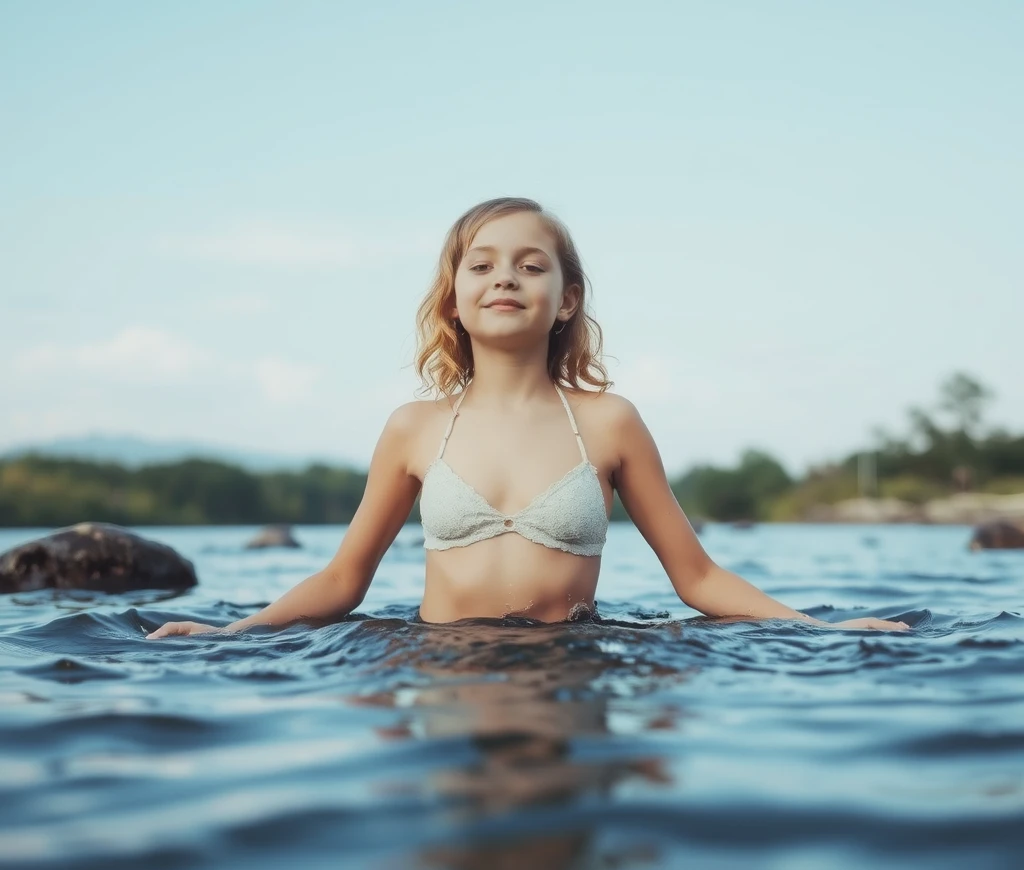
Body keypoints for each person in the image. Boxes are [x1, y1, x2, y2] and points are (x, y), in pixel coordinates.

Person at [146, 197, 909, 638]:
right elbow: (346, 578)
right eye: (481, 264)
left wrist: (822, 633)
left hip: (573, 667)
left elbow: (698, 576)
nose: (504, 275)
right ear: (454, 296)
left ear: (566, 298)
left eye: (530, 264)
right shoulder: (414, 429)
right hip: (440, 666)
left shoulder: (610, 423)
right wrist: (229, 637)